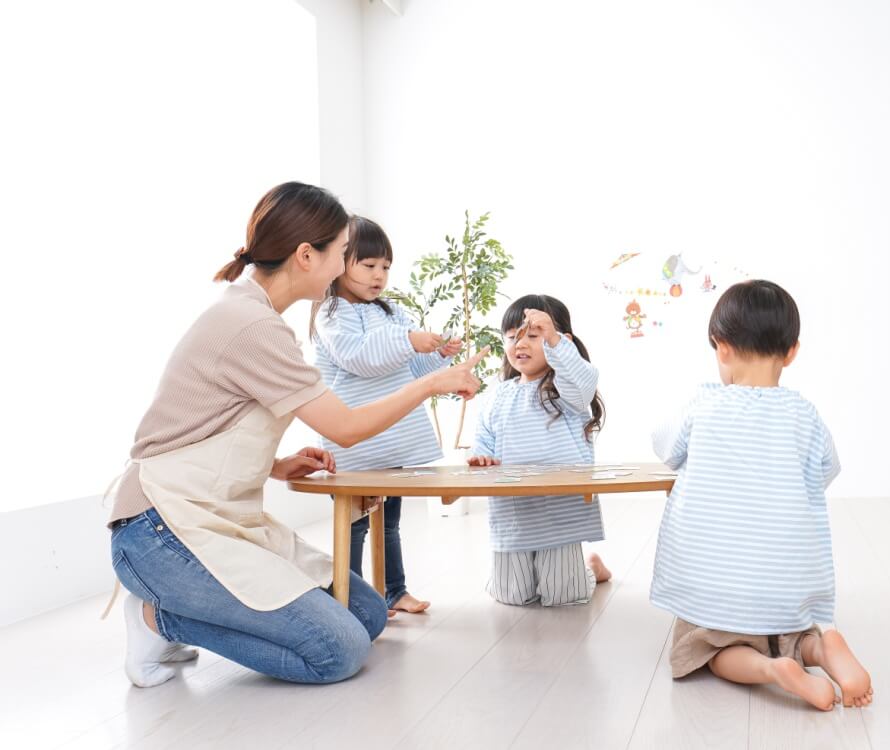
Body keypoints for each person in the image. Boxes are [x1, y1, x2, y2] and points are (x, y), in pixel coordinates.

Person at [106, 182, 484, 688]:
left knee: (368, 614)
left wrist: (276, 464)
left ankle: (180, 611)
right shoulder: (251, 325)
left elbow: (202, 423)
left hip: (211, 518)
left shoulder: (255, 317)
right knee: (337, 651)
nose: (347, 267)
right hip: (160, 530)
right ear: (307, 256)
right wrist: (433, 382)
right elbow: (346, 429)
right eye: (344, 254)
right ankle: (158, 618)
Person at [650, 279, 872, 710]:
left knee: (709, 650)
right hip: (787, 586)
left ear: (722, 347)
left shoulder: (704, 404)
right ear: (792, 352)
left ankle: (773, 672)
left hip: (715, 586)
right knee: (789, 634)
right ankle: (818, 650)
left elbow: (664, 447)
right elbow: (827, 470)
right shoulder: (803, 413)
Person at [312, 215, 461, 615]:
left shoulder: (391, 312)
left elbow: (408, 372)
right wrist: (408, 341)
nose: (379, 275)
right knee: (355, 524)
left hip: (389, 439)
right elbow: (360, 358)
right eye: (369, 265)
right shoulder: (332, 313)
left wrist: (433, 355)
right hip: (355, 443)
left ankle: (394, 590)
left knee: (391, 522)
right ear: (339, 262)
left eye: (385, 267)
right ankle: (350, 599)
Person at [467, 295, 611, 606]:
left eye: (533, 336)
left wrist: (555, 341)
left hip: (559, 513)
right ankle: (543, 572)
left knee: (563, 596)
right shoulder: (498, 395)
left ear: (561, 341)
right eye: (512, 336)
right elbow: (483, 439)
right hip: (513, 513)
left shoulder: (566, 389)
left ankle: (590, 569)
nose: (521, 344)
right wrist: (481, 456)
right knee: (511, 596)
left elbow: (586, 381)